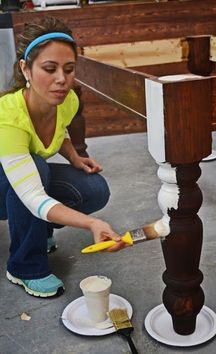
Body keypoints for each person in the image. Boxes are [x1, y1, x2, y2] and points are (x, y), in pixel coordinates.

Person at [0, 16, 125, 298]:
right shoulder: (7, 116)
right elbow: (32, 195)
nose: (62, 79)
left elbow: (61, 129)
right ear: (26, 69)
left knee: (94, 189)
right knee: (37, 168)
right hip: (3, 187)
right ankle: (24, 266)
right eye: (49, 68)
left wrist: (75, 158)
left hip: (23, 179)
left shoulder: (67, 99)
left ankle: (36, 230)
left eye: (69, 69)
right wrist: (91, 224)